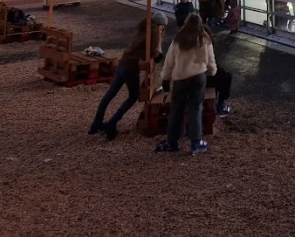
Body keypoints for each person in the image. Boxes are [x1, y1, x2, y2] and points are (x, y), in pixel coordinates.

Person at [90, 12, 167, 140]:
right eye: (163, 26)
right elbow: (153, 52)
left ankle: (96, 122)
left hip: (123, 63)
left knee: (110, 94)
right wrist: (159, 56)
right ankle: (112, 123)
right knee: (133, 97)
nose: (163, 29)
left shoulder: (144, 27)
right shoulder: (153, 32)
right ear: (160, 24)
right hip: (131, 67)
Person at [155, 13, 216, 157]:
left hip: (180, 78)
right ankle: (196, 142)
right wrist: (212, 73)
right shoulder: (204, 39)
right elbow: (211, 60)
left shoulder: (178, 39)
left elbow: (169, 61)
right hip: (199, 78)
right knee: (195, 109)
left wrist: (165, 78)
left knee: (176, 110)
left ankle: (172, 141)